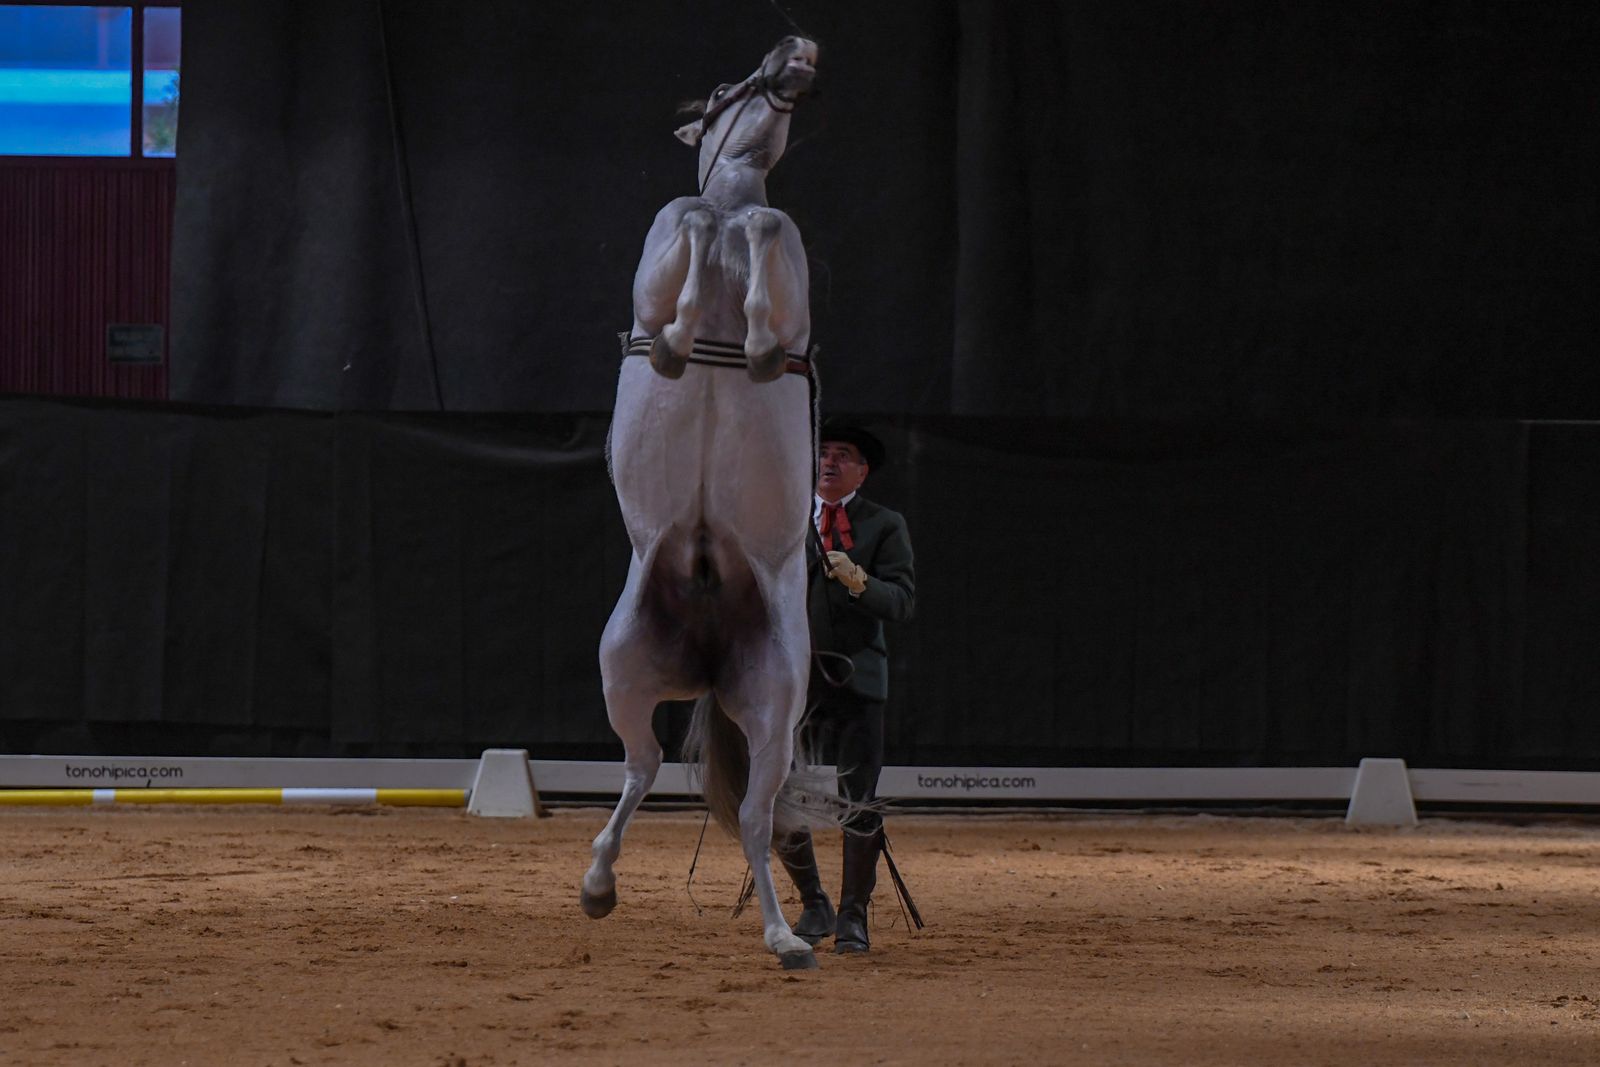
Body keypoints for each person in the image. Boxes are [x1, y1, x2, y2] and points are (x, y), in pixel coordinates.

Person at [775, 418, 915, 954]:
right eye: (822, 452)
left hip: (857, 677)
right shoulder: (784, 520)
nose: (829, 461)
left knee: (860, 799)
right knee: (780, 791)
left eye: (843, 454)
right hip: (793, 680)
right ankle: (814, 902)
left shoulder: (883, 524)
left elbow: (903, 601)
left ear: (862, 469)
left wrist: (860, 581)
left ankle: (854, 914)